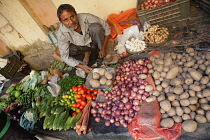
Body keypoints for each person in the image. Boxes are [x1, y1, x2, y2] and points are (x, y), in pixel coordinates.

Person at [57, 4, 111, 73]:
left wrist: (103, 48)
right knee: (70, 50)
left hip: (93, 43)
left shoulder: (87, 17)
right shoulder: (62, 33)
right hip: (81, 48)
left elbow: (106, 27)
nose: (71, 22)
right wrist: (81, 66)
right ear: (61, 22)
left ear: (75, 14)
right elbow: (64, 56)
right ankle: (87, 54)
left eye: (72, 16)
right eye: (65, 20)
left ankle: (100, 52)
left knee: (96, 28)